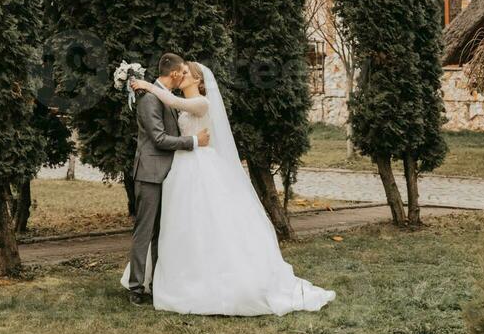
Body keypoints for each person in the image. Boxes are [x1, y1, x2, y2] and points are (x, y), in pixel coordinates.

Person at [122, 60, 335, 316]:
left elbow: (175, 103)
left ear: (200, 81)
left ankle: (200, 279)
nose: (182, 75)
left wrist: (147, 85)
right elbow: (167, 118)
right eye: (182, 72)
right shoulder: (170, 102)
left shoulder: (201, 103)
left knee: (203, 224)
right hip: (181, 169)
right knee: (178, 226)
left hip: (201, 168)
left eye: (187, 73)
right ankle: (170, 278)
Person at [123, 52, 209, 304]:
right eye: (183, 71)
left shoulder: (169, 98)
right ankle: (136, 288)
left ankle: (160, 283)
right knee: (145, 230)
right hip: (150, 174)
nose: (184, 75)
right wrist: (194, 141)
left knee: (163, 232)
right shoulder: (150, 98)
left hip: (171, 175)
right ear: (174, 73)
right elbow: (159, 139)